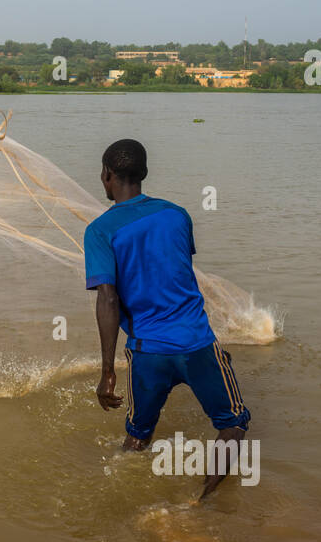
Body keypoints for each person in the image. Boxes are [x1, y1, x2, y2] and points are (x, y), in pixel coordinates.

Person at [84, 139, 250, 498]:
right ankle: (203, 505)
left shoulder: (99, 230)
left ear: (107, 175)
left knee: (137, 436)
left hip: (147, 353)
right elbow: (175, 272)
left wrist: (107, 372)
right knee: (233, 426)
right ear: (143, 174)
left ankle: (113, 496)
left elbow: (108, 299)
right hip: (196, 344)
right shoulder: (177, 215)